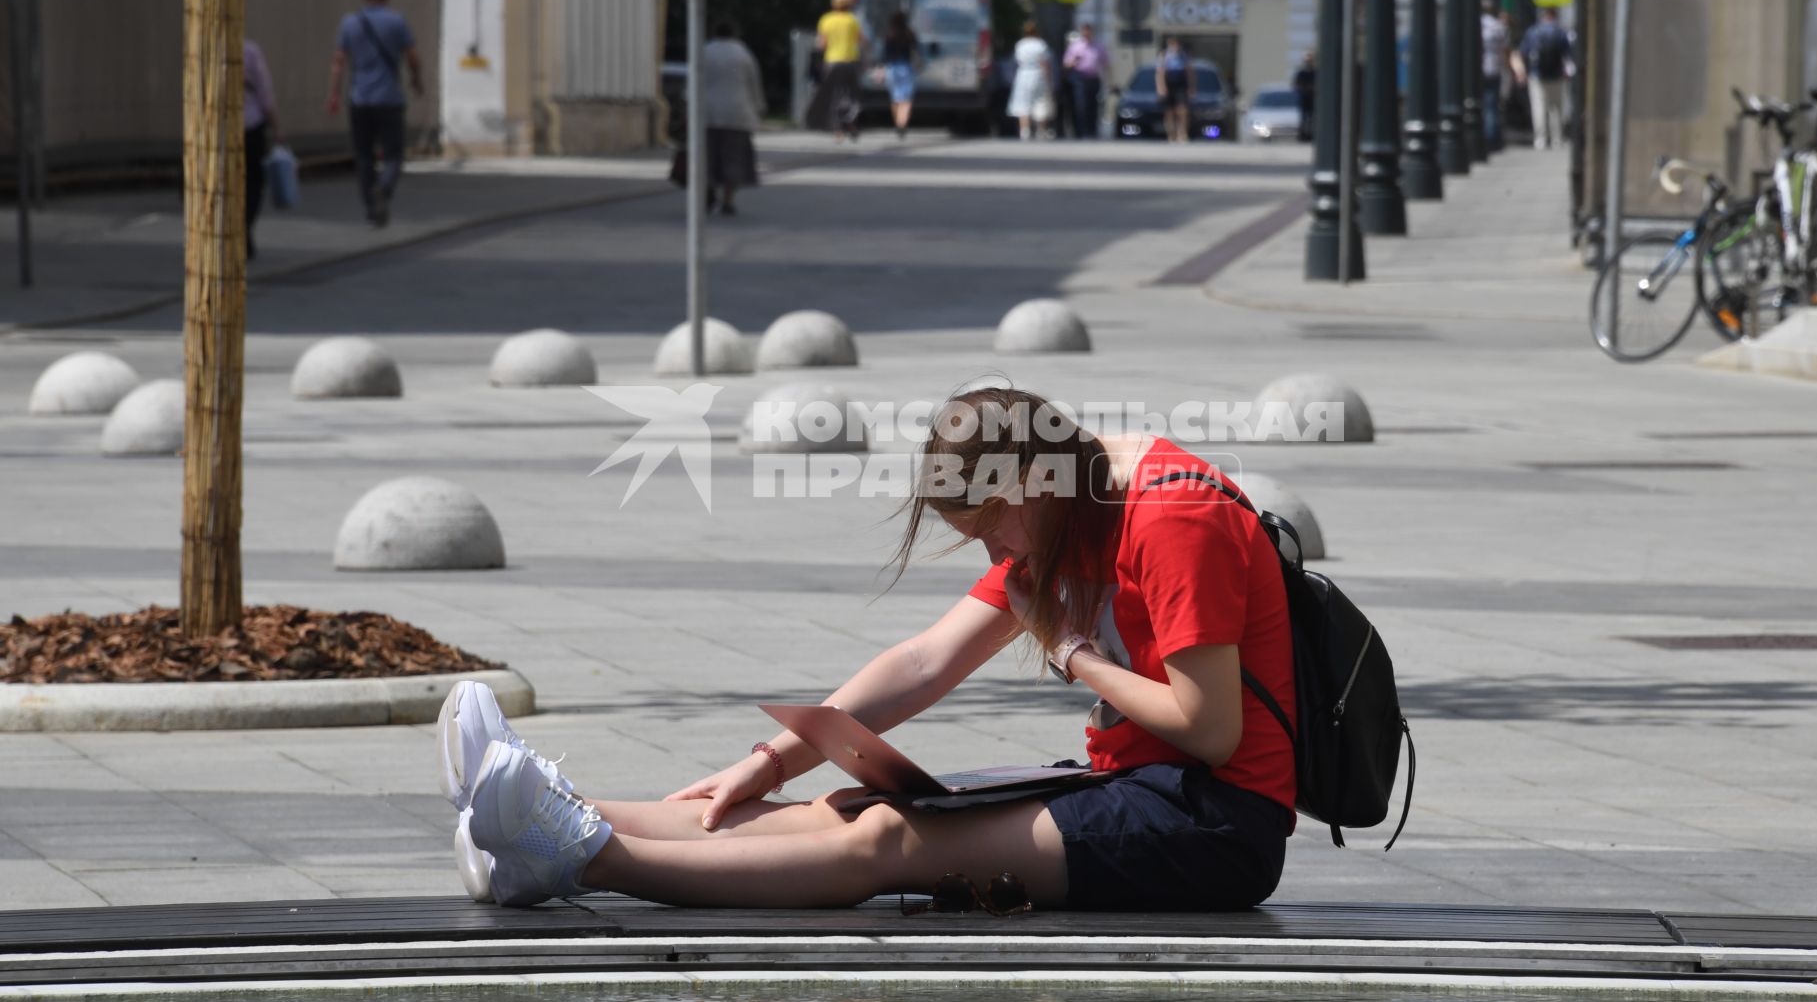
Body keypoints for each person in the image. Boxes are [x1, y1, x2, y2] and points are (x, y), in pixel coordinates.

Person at [437, 386, 1298, 912]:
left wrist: (1071, 651)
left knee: (885, 840)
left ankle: (584, 858)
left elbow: (1210, 728)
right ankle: (530, 815)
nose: (998, 558)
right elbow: (925, 661)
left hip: (1215, 824)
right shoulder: (1065, 512)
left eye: (992, 529)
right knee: (837, 811)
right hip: (1136, 788)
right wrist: (773, 761)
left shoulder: (1174, 515)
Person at [327, 0, 424, 228]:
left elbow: (339, 62)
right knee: (393, 155)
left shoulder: (350, 23)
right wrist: (416, 81)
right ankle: (384, 187)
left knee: (364, 156)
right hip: (390, 99)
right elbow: (412, 57)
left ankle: (371, 205)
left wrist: (334, 93)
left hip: (359, 100)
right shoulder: (397, 21)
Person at [703, 21, 765, 217]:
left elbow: (693, 82)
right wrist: (758, 108)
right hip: (738, 114)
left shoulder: (705, 51)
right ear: (734, 34)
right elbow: (754, 84)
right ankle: (728, 201)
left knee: (707, 157)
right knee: (734, 160)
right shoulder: (743, 54)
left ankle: (708, 189)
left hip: (708, 114)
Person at [808, 0, 865, 143]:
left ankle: (838, 131)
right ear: (847, 4)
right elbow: (861, 41)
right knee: (851, 95)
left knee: (834, 96)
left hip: (832, 62)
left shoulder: (826, 20)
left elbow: (822, 44)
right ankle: (852, 124)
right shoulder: (852, 20)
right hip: (850, 61)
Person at [241, 38, 278, 261]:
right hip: (250, 125)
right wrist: (276, 126)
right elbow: (264, 90)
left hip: (218, 130)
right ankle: (246, 224)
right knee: (253, 181)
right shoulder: (250, 51)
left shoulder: (205, 48)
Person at [1518, 7, 1572, 150]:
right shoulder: (1560, 32)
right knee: (1556, 108)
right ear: (1554, 16)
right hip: (1557, 75)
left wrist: (1524, 71)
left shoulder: (1532, 32)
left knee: (1538, 107)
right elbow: (1568, 54)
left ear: (1543, 16)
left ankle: (1540, 139)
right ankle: (1557, 139)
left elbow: (1523, 52)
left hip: (1537, 75)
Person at [1005, 22, 1054, 141]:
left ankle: (1024, 131)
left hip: (1023, 73)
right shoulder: (1041, 44)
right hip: (1038, 73)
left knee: (1023, 101)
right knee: (1040, 101)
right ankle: (1040, 130)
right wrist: (1049, 80)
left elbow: (1016, 60)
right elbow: (1045, 63)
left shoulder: (1020, 45)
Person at [1061, 23, 1109, 141]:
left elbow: (1106, 63)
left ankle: (1092, 130)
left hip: (1093, 78)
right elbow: (1066, 64)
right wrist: (1073, 62)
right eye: (1085, 31)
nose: (1087, 34)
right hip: (1079, 78)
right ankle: (1080, 130)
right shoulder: (1076, 46)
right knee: (1081, 105)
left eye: (1089, 31)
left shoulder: (1098, 46)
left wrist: (1109, 80)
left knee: (1093, 105)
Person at [880, 10, 921, 141]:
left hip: (892, 68)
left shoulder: (889, 34)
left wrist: (881, 68)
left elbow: (884, 54)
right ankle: (901, 122)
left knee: (895, 97)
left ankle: (897, 120)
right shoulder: (909, 33)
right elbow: (916, 49)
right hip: (905, 67)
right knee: (906, 98)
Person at [1479, 0, 1508, 151]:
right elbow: (1505, 48)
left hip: (1478, 69)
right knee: (1492, 105)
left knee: (1481, 105)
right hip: (1494, 68)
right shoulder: (1498, 26)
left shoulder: (1478, 24)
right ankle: (1492, 139)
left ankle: (1484, 138)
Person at [1157, 37, 1192, 144]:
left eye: (1176, 43)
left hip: (1180, 84)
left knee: (1182, 110)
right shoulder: (1164, 56)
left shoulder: (1183, 56)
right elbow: (1160, 73)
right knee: (1169, 112)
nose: (1174, 46)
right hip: (1169, 84)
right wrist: (1161, 87)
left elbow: (1189, 72)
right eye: (1171, 43)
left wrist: (1191, 87)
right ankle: (1171, 135)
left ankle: (1182, 134)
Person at [1291, 51, 1317, 143]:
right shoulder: (1301, 73)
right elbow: (1296, 85)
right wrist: (1304, 89)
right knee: (1303, 118)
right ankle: (1303, 135)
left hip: (1313, 99)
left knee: (1312, 118)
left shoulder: (1315, 72)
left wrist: (1312, 89)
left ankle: (1311, 135)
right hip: (1304, 99)